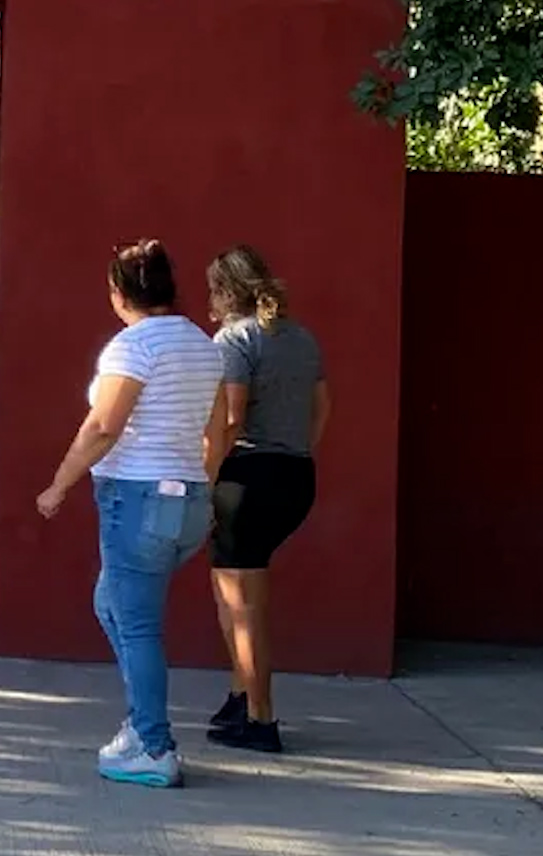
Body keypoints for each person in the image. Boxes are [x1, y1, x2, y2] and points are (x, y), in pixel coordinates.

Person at [35, 239, 229, 789]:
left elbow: (103, 426)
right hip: (186, 499)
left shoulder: (132, 346)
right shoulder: (203, 346)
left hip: (138, 498)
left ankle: (153, 744)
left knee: (138, 623)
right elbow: (217, 432)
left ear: (119, 293)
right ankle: (140, 720)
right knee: (112, 603)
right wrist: (204, 491)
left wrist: (58, 485)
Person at [202, 245, 330, 755]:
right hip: (295, 475)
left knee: (243, 608)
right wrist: (295, 452)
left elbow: (231, 419)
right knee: (228, 596)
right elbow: (323, 409)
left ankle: (261, 718)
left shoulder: (233, 340)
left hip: (245, 479)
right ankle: (239, 694)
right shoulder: (301, 338)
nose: (208, 298)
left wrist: (204, 478)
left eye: (213, 288)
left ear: (229, 292)